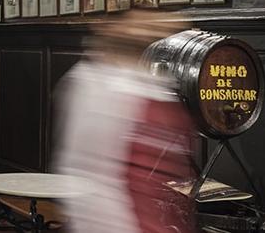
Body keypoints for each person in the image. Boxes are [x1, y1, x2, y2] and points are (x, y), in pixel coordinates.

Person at [54, 12, 197, 233]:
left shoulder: (156, 86)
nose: (149, 25)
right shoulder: (93, 86)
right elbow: (87, 176)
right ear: (112, 27)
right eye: (138, 19)